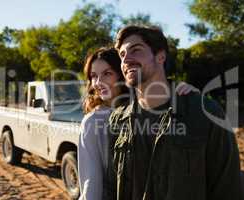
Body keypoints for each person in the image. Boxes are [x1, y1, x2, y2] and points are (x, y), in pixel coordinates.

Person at [106, 25, 244, 200]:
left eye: (136, 50)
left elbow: (227, 188)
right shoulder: (117, 120)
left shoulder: (205, 112)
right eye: (122, 55)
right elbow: (111, 186)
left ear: (160, 56)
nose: (126, 60)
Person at [78, 47, 199, 200]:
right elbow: (91, 183)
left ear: (122, 74)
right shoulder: (93, 122)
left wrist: (187, 95)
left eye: (107, 74)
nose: (98, 82)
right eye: (93, 76)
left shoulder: (144, 108)